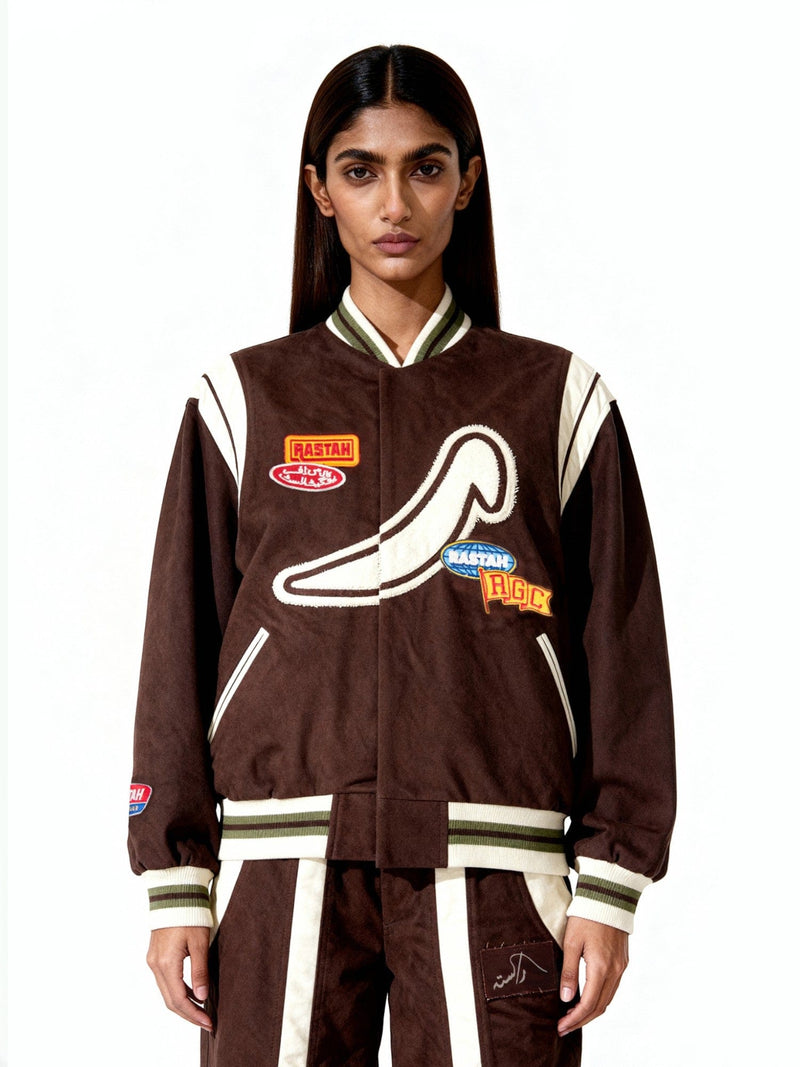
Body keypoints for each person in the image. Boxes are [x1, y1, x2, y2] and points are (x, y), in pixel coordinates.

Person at [129, 43, 676, 1067]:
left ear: (466, 183)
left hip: (498, 865)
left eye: (425, 167)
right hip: (284, 866)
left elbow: (625, 657)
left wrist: (610, 882)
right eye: (360, 170)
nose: (394, 203)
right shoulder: (243, 402)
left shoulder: (555, 400)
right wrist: (175, 879)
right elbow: (177, 645)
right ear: (319, 191)